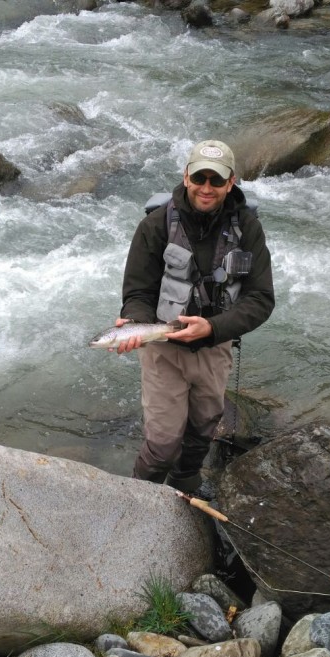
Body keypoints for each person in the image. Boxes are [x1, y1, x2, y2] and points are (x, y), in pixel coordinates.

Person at [110, 139, 274, 493]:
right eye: (199, 178)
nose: (206, 188)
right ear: (186, 177)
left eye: (216, 181)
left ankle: (185, 486)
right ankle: (138, 497)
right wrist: (135, 323)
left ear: (231, 183)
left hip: (214, 345)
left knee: (203, 429)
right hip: (164, 348)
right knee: (163, 444)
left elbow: (261, 299)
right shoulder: (155, 226)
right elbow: (138, 293)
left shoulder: (248, 229)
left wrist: (214, 328)